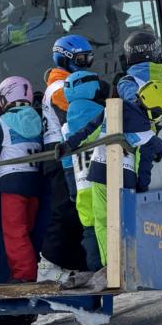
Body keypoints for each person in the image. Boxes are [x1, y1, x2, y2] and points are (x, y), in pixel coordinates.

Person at [55, 81, 162, 271]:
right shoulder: (147, 135)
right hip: (125, 181)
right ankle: (128, 265)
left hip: (99, 173)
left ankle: (109, 267)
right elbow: (145, 167)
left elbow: (88, 130)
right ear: (154, 112)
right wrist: (141, 189)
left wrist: (67, 146)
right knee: (125, 223)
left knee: (102, 222)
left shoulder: (110, 110)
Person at [38, 34, 95, 283]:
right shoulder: (59, 87)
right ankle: (48, 264)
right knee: (65, 209)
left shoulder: (69, 83)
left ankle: (76, 262)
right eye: (81, 59)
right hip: (59, 151)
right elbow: (77, 113)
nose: (86, 65)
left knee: (74, 210)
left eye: (89, 59)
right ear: (64, 59)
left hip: (68, 149)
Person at [0, 76, 42, 282]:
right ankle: (33, 269)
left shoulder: (1, 121)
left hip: (11, 180)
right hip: (35, 180)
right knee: (28, 229)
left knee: (15, 231)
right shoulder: (39, 118)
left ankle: (24, 275)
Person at [61, 70, 110, 272]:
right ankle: (113, 269)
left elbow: (66, 162)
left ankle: (95, 271)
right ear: (93, 90)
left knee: (90, 228)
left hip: (82, 185)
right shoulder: (107, 115)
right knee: (111, 223)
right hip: (106, 181)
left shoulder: (66, 127)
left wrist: (73, 189)